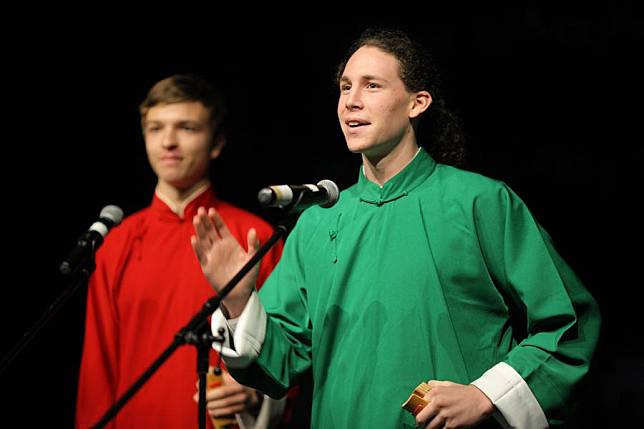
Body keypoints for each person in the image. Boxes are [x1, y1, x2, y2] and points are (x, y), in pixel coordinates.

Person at [191, 29, 601, 428]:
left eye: (372, 86)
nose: (351, 101)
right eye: (345, 87)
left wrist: (485, 395)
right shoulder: (317, 221)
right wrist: (241, 302)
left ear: (417, 103)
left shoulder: (480, 202)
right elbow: (277, 366)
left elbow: (569, 326)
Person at [75, 74, 287, 429]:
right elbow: (98, 371)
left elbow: (286, 354)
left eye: (186, 128)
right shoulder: (117, 242)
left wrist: (257, 394)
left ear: (217, 142)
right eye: (156, 128)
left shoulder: (254, 237)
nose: (169, 142)